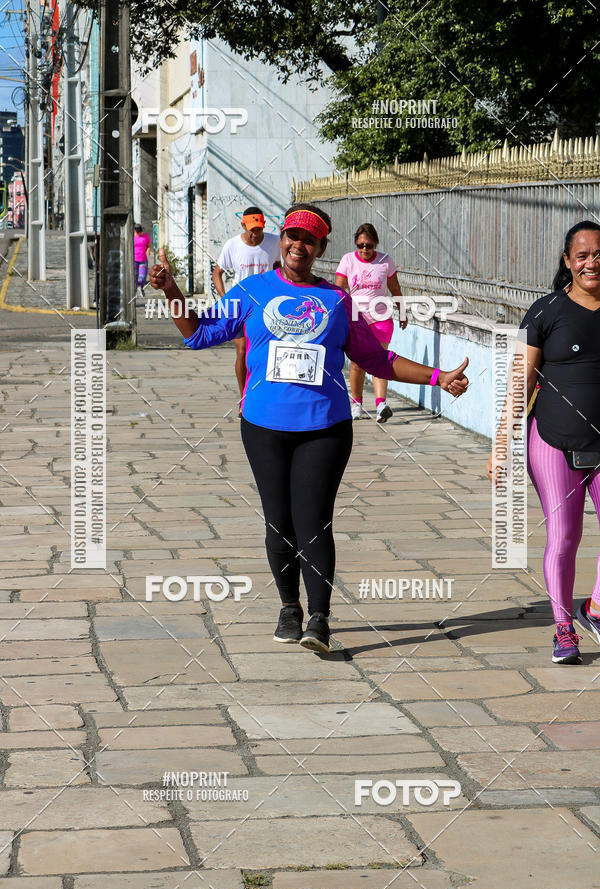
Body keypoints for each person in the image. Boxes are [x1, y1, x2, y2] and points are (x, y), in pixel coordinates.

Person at [151, 203, 469, 653]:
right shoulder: (252, 291)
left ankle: (319, 619)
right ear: (281, 240)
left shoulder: (337, 301)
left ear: (321, 248)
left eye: (309, 240)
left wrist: (438, 377)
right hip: (263, 427)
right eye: (292, 236)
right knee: (279, 523)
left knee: (313, 522)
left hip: (325, 428)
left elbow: (377, 359)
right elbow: (198, 333)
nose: (299, 245)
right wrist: (171, 289)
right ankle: (289, 608)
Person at [487, 220, 600, 664]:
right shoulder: (543, 312)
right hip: (553, 442)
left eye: (599, 254)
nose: (592, 262)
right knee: (565, 536)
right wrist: (501, 443)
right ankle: (563, 629)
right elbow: (519, 382)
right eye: (583, 255)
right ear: (567, 262)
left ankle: (595, 608)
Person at [335, 224, 407, 424]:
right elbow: (338, 290)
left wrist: (402, 312)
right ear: (356, 244)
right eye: (360, 245)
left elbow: (395, 288)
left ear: (375, 243)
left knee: (380, 359)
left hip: (381, 319)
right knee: (357, 363)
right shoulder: (348, 260)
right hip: (356, 320)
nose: (365, 249)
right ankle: (356, 403)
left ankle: (381, 405)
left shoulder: (385, 261)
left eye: (369, 245)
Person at [212, 207, 280, 401]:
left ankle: (264, 394)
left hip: (266, 305)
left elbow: (278, 268)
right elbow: (217, 273)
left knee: (266, 351)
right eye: (251, 229)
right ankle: (244, 399)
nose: (255, 233)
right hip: (240, 305)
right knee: (242, 350)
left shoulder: (274, 242)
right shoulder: (232, 245)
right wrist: (225, 298)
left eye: (259, 229)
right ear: (243, 225)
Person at [134, 224, 152, 297]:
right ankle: (134, 291)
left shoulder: (145, 236)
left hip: (143, 259)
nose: (140, 233)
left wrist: (148, 250)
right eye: (138, 232)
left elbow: (149, 245)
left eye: (140, 231)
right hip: (134, 260)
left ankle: (141, 287)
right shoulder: (132, 237)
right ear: (134, 231)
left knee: (143, 276)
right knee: (135, 276)